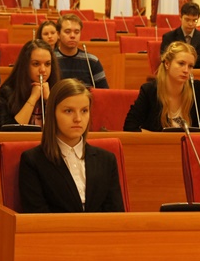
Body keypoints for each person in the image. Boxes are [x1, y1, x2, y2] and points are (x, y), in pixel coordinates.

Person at [19, 78, 125, 213]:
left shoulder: (107, 160)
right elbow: (38, 216)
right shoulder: (33, 161)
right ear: (53, 113)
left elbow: (116, 215)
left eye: (84, 111)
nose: (78, 119)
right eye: (69, 111)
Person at [123, 41, 200, 132]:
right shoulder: (150, 90)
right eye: (181, 63)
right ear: (167, 64)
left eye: (190, 66)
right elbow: (130, 127)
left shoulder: (196, 89)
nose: (186, 70)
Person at [0, 40, 60, 129]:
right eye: (36, 64)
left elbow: (63, 129)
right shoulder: (7, 91)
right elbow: (10, 132)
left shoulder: (58, 90)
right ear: (25, 65)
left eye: (47, 64)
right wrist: (33, 98)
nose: (43, 70)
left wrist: (49, 100)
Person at [54, 13, 109, 88]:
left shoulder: (92, 61)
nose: (72, 36)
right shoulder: (50, 59)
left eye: (76, 32)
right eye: (67, 31)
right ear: (58, 34)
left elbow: (103, 92)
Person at [160, 2, 200, 68]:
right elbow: (165, 62)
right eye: (187, 20)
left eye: (195, 20)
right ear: (180, 17)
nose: (191, 23)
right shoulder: (169, 37)